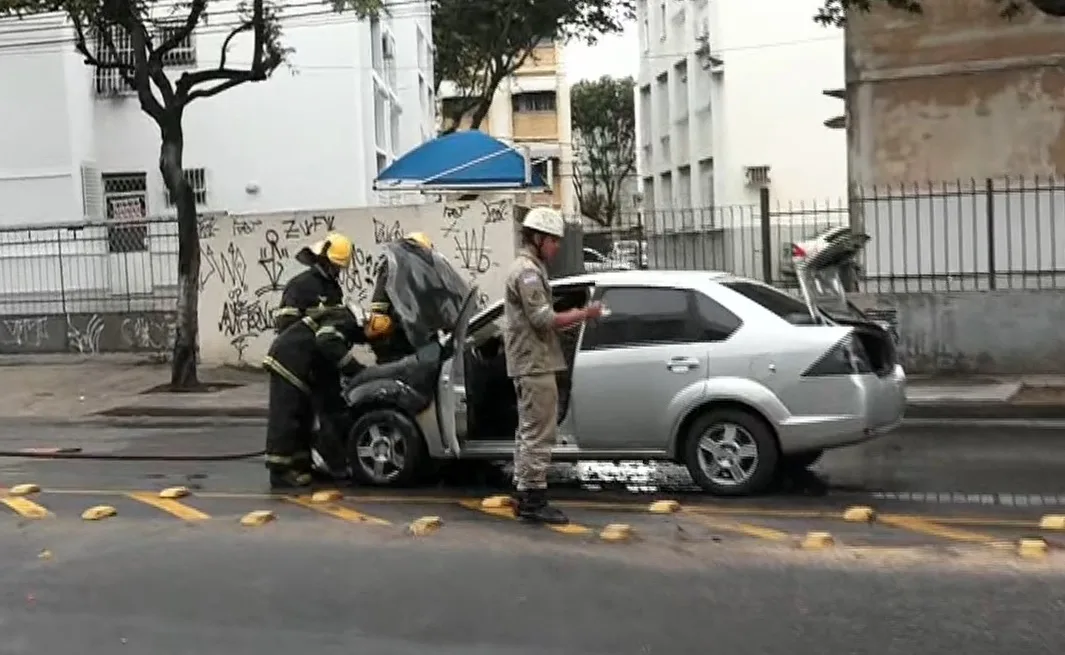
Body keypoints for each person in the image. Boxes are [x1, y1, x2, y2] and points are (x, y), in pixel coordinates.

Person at [503, 207, 602, 524]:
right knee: (538, 434)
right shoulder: (527, 273)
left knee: (528, 431)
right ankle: (533, 500)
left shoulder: (531, 269)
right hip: (533, 364)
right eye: (553, 241)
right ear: (537, 238)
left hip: (532, 362)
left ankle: (524, 493)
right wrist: (584, 314)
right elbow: (543, 319)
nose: (557, 247)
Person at [262, 303, 367, 489]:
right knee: (286, 416)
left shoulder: (342, 318)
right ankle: (279, 472)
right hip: (288, 361)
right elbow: (326, 340)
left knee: (304, 417)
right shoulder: (345, 319)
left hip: (300, 364)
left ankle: (301, 465)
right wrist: (355, 369)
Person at [364, 231, 434, 363]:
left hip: (416, 341)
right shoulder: (391, 270)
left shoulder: (420, 272)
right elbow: (379, 308)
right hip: (395, 345)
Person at [272, 233, 353, 333]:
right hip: (304, 347)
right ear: (324, 259)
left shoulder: (333, 288)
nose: (338, 271)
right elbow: (286, 328)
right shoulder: (299, 286)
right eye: (335, 265)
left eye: (340, 267)